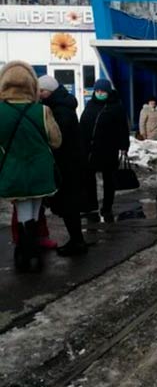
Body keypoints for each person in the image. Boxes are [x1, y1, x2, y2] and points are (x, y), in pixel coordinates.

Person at [0, 61, 62, 269]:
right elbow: (56, 141)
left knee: (23, 209)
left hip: (13, 169)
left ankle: (24, 251)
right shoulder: (42, 111)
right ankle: (33, 250)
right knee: (35, 208)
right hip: (40, 170)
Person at [38, 75, 88, 256]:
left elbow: (58, 140)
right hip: (71, 164)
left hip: (67, 166)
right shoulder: (62, 106)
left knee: (69, 205)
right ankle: (76, 240)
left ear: (50, 91)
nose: (39, 95)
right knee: (69, 205)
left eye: (42, 91)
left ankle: (77, 242)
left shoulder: (59, 111)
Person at [80, 78, 129, 222]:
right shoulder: (90, 105)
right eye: (97, 90)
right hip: (91, 148)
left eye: (102, 91)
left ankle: (107, 206)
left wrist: (124, 146)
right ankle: (92, 204)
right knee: (89, 177)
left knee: (109, 178)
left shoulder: (116, 107)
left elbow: (123, 128)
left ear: (108, 92)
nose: (100, 93)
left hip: (108, 148)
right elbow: (83, 124)